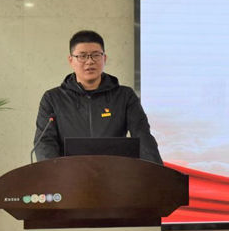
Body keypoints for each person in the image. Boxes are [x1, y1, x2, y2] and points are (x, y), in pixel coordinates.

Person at [33, 30, 162, 164]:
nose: (89, 61)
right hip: (69, 174)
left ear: (104, 58)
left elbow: (142, 135)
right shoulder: (53, 99)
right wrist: (55, 172)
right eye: (82, 56)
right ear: (71, 60)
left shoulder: (124, 96)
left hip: (114, 172)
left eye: (96, 55)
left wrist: (156, 171)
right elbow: (45, 142)